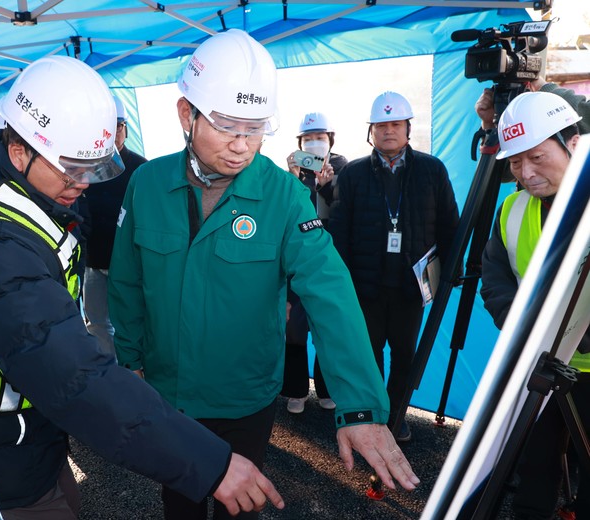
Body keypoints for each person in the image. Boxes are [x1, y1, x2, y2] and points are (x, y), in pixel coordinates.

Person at [0, 54, 283, 519]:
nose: (83, 183)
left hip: (24, 429)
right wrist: (209, 463)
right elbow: (74, 375)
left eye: (93, 168)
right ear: (20, 149)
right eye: (72, 168)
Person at [108, 29, 420, 520]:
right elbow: (126, 280)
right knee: (180, 503)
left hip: (244, 399)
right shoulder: (145, 183)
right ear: (186, 114)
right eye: (228, 127)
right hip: (168, 393)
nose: (242, 146)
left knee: (242, 507)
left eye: (255, 130)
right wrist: (129, 362)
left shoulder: (285, 197)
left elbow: (329, 293)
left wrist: (360, 405)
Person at [478, 89, 590, 520]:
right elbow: (495, 278)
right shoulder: (512, 208)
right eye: (515, 162)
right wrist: (522, 327)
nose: (526, 173)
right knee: (534, 470)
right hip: (540, 366)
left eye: (538, 157)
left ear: (573, 143)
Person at [327, 91, 460, 444]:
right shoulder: (353, 173)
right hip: (365, 286)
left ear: (407, 129)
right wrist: (341, 281)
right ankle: (375, 415)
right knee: (368, 356)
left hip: (410, 287)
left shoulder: (432, 170)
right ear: (371, 131)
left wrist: (451, 271)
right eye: (381, 125)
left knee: (405, 357)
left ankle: (396, 416)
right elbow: (339, 230)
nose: (388, 131)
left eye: (396, 124)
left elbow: (449, 224)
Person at [281, 111, 348, 414]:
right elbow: (285, 215)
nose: (314, 143)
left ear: (330, 140)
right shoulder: (292, 174)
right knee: (295, 331)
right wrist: (294, 178)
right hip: (296, 264)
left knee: (327, 330)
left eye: (320, 137)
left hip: (330, 264)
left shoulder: (345, 169)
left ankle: (326, 389)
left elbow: (343, 215)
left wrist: (328, 186)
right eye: (308, 139)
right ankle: (295, 390)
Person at [81, 94, 148, 358]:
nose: (112, 133)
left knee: (133, 322)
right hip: (93, 263)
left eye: (117, 126)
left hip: (129, 264)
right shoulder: (85, 168)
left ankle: (139, 368)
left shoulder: (141, 169)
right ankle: (110, 371)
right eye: (105, 128)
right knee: (97, 323)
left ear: (125, 129)